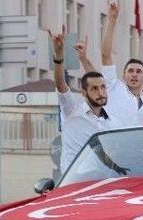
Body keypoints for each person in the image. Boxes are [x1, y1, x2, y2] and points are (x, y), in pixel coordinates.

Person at [78, 1, 143, 126]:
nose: (134, 74)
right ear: (123, 75)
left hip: (135, 145)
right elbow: (105, 54)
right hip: (109, 143)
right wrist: (112, 20)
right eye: (130, 71)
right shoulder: (114, 86)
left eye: (138, 71)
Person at [49, 26, 123, 174]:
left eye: (103, 87)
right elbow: (61, 85)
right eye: (94, 89)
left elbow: (114, 153)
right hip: (74, 184)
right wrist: (58, 56)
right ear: (84, 93)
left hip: (101, 184)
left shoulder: (114, 123)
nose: (101, 92)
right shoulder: (72, 111)